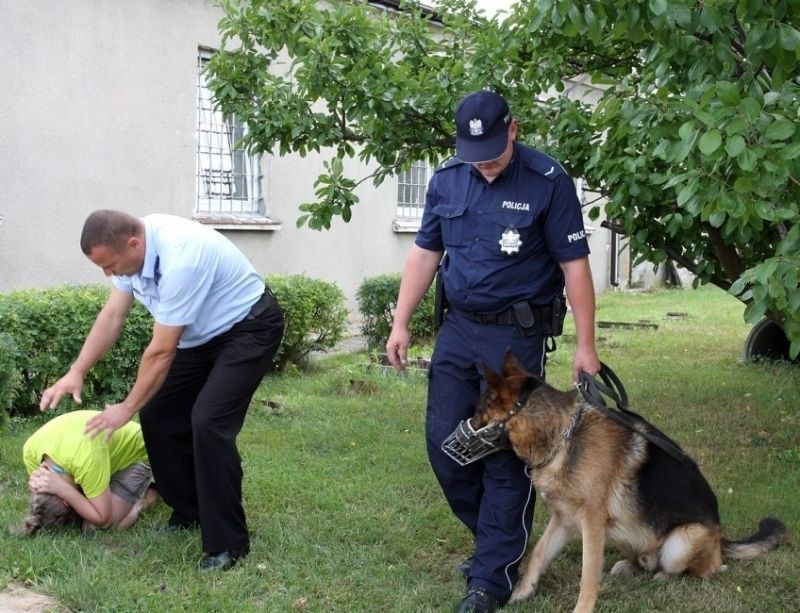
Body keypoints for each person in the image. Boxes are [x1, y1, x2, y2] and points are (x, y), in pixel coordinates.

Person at [385, 91, 600, 612]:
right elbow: (425, 253)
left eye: (491, 152)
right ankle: (494, 543)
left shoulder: (547, 181)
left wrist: (586, 347)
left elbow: (574, 267)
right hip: (458, 331)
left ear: (513, 130)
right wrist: (399, 321)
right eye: (472, 154)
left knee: (506, 452)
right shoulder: (446, 179)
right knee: (446, 444)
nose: (482, 164)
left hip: (515, 339)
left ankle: (490, 577)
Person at [39, 210, 284, 572]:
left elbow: (161, 351)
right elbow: (112, 317)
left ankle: (229, 544)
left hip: (248, 327)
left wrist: (125, 407)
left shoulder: (181, 256)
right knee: (157, 414)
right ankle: (188, 511)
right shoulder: (129, 252)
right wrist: (77, 370)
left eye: (110, 265)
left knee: (208, 422)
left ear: (133, 244)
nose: (109, 274)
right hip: (200, 336)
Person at [16, 409, 157, 535]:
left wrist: (65, 490)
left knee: (100, 527)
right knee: (91, 509)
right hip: (104, 455)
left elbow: (104, 520)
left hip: (140, 452)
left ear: (66, 502)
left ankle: (145, 500)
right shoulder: (29, 451)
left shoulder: (85, 460)